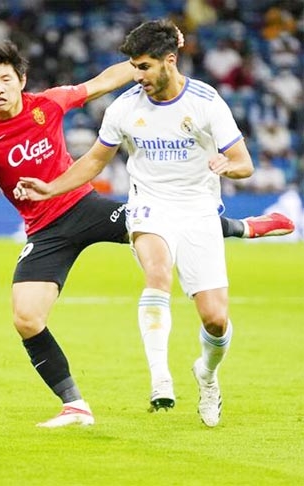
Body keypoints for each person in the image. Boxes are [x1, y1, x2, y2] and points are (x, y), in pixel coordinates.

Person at [0, 40, 294, 428]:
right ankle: (75, 407)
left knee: (160, 219)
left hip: (85, 207)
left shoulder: (48, 103)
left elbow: (104, 80)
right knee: (26, 318)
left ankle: (243, 227)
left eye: (5, 79)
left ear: (21, 79)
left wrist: (150, 57)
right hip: (45, 230)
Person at [15, 20, 295, 427]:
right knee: (158, 272)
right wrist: (51, 188)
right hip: (149, 204)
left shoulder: (205, 101)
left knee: (215, 319)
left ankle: (207, 374)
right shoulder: (124, 107)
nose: (137, 75)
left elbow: (244, 163)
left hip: (199, 208)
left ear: (170, 60)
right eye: (133, 66)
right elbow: (95, 160)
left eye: (144, 67)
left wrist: (226, 167)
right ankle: (160, 378)